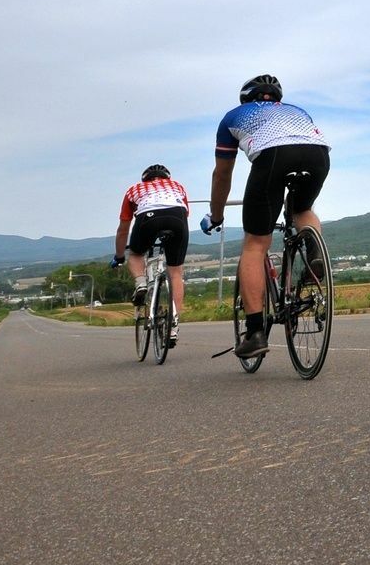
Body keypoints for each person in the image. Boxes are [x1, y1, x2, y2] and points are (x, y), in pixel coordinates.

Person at [206, 74, 331, 360]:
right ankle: (314, 253)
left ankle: (255, 332)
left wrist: (216, 215)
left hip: (273, 156)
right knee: (301, 208)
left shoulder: (233, 116)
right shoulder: (297, 111)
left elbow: (222, 175)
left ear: (246, 97)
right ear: (277, 98)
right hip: (319, 154)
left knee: (255, 244)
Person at [112, 164, 191, 349]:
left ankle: (141, 284)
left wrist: (119, 255)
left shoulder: (134, 189)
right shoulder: (177, 186)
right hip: (177, 218)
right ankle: (173, 324)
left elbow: (123, 229)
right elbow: (186, 212)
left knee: (136, 254)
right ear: (167, 178)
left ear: (145, 179)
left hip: (148, 217)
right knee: (176, 273)